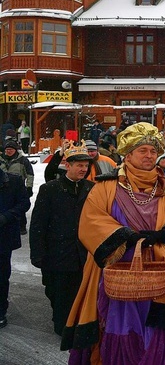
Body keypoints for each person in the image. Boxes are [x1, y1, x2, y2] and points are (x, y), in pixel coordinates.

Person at [61, 122, 165, 364]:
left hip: (158, 274)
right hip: (117, 274)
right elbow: (90, 222)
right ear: (128, 154)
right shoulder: (105, 187)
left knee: (157, 326)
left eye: (153, 151)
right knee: (120, 324)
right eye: (143, 150)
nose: (150, 155)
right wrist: (124, 236)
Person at [29, 142, 94, 336]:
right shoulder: (50, 189)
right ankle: (62, 326)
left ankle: (76, 327)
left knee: (80, 293)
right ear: (68, 165)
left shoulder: (92, 189)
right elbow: (38, 224)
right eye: (79, 165)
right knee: (57, 292)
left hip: (83, 254)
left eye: (85, 166)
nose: (83, 169)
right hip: (57, 253)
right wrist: (37, 253)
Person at [0, 163, 30, 329]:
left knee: (2, 277)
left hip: (3, 238)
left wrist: (6, 217)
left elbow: (24, 204)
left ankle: (0, 310)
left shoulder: (13, 181)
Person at [0, 140, 34, 235]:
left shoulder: (23, 160)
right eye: (7, 149)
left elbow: (30, 174)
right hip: (3, 188)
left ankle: (22, 225)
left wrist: (29, 187)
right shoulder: (1, 160)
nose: (8, 151)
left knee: (19, 206)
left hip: (18, 188)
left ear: (15, 150)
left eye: (11, 149)